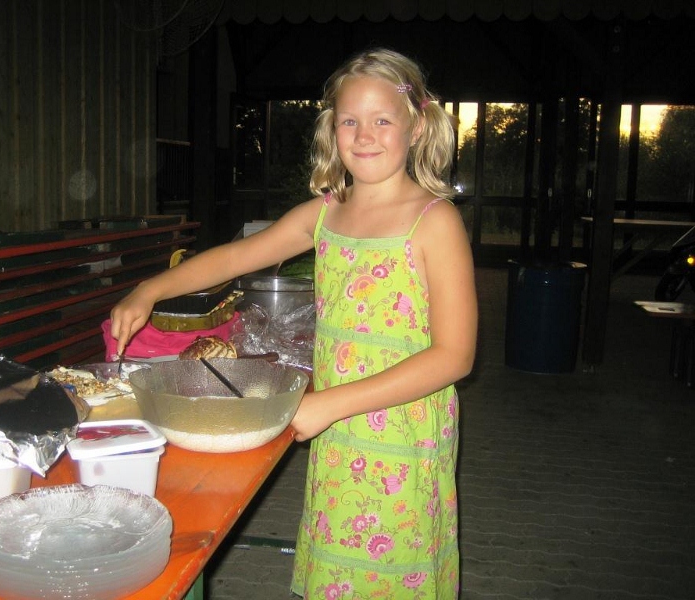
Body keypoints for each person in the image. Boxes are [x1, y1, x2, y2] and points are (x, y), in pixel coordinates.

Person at [110, 47, 477, 599]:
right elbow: (236, 257)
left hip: (402, 433)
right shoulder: (326, 212)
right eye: (350, 121)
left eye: (382, 120)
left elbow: (455, 356)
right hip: (337, 432)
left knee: (391, 569)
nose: (365, 135)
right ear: (332, 129)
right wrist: (150, 289)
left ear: (417, 126)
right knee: (339, 565)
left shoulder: (434, 221)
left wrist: (329, 404)